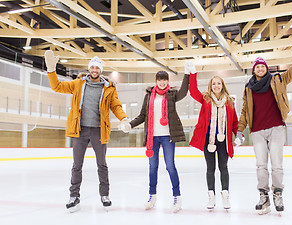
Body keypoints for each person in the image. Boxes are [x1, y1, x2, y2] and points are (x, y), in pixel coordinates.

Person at [44, 50, 129, 212]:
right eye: (92, 68)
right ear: (89, 69)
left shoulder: (109, 88)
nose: (94, 70)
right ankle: (74, 196)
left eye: (97, 68)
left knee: (102, 164)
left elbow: (116, 106)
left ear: (100, 70)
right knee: (77, 165)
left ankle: (105, 195)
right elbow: (57, 86)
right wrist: (51, 70)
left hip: (99, 131)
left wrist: (124, 118)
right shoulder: (78, 84)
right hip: (80, 130)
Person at [237, 34, 292, 215]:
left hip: (276, 127)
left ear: (266, 68)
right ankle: (264, 196)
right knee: (261, 165)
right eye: (257, 67)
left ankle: (278, 194)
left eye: (262, 66)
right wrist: (239, 131)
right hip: (258, 131)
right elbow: (245, 111)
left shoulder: (277, 80)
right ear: (254, 70)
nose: (260, 69)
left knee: (276, 165)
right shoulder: (248, 88)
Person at [119, 69, 189, 213]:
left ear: (168, 81)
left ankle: (177, 197)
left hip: (168, 136)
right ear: (156, 81)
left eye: (164, 79)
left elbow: (183, 92)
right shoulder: (149, 96)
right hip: (153, 137)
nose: (162, 82)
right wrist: (130, 124)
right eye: (159, 79)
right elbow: (143, 115)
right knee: (153, 167)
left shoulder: (171, 94)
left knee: (170, 166)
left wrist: (187, 74)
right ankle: (152, 196)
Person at [187, 62, 239, 210]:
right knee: (210, 168)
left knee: (224, 167)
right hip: (208, 140)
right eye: (214, 83)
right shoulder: (206, 99)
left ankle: (225, 196)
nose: (216, 86)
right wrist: (193, 74)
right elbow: (192, 90)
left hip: (223, 141)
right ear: (211, 86)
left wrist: (238, 134)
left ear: (222, 85)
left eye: (219, 83)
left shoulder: (229, 102)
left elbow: (235, 121)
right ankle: (211, 197)